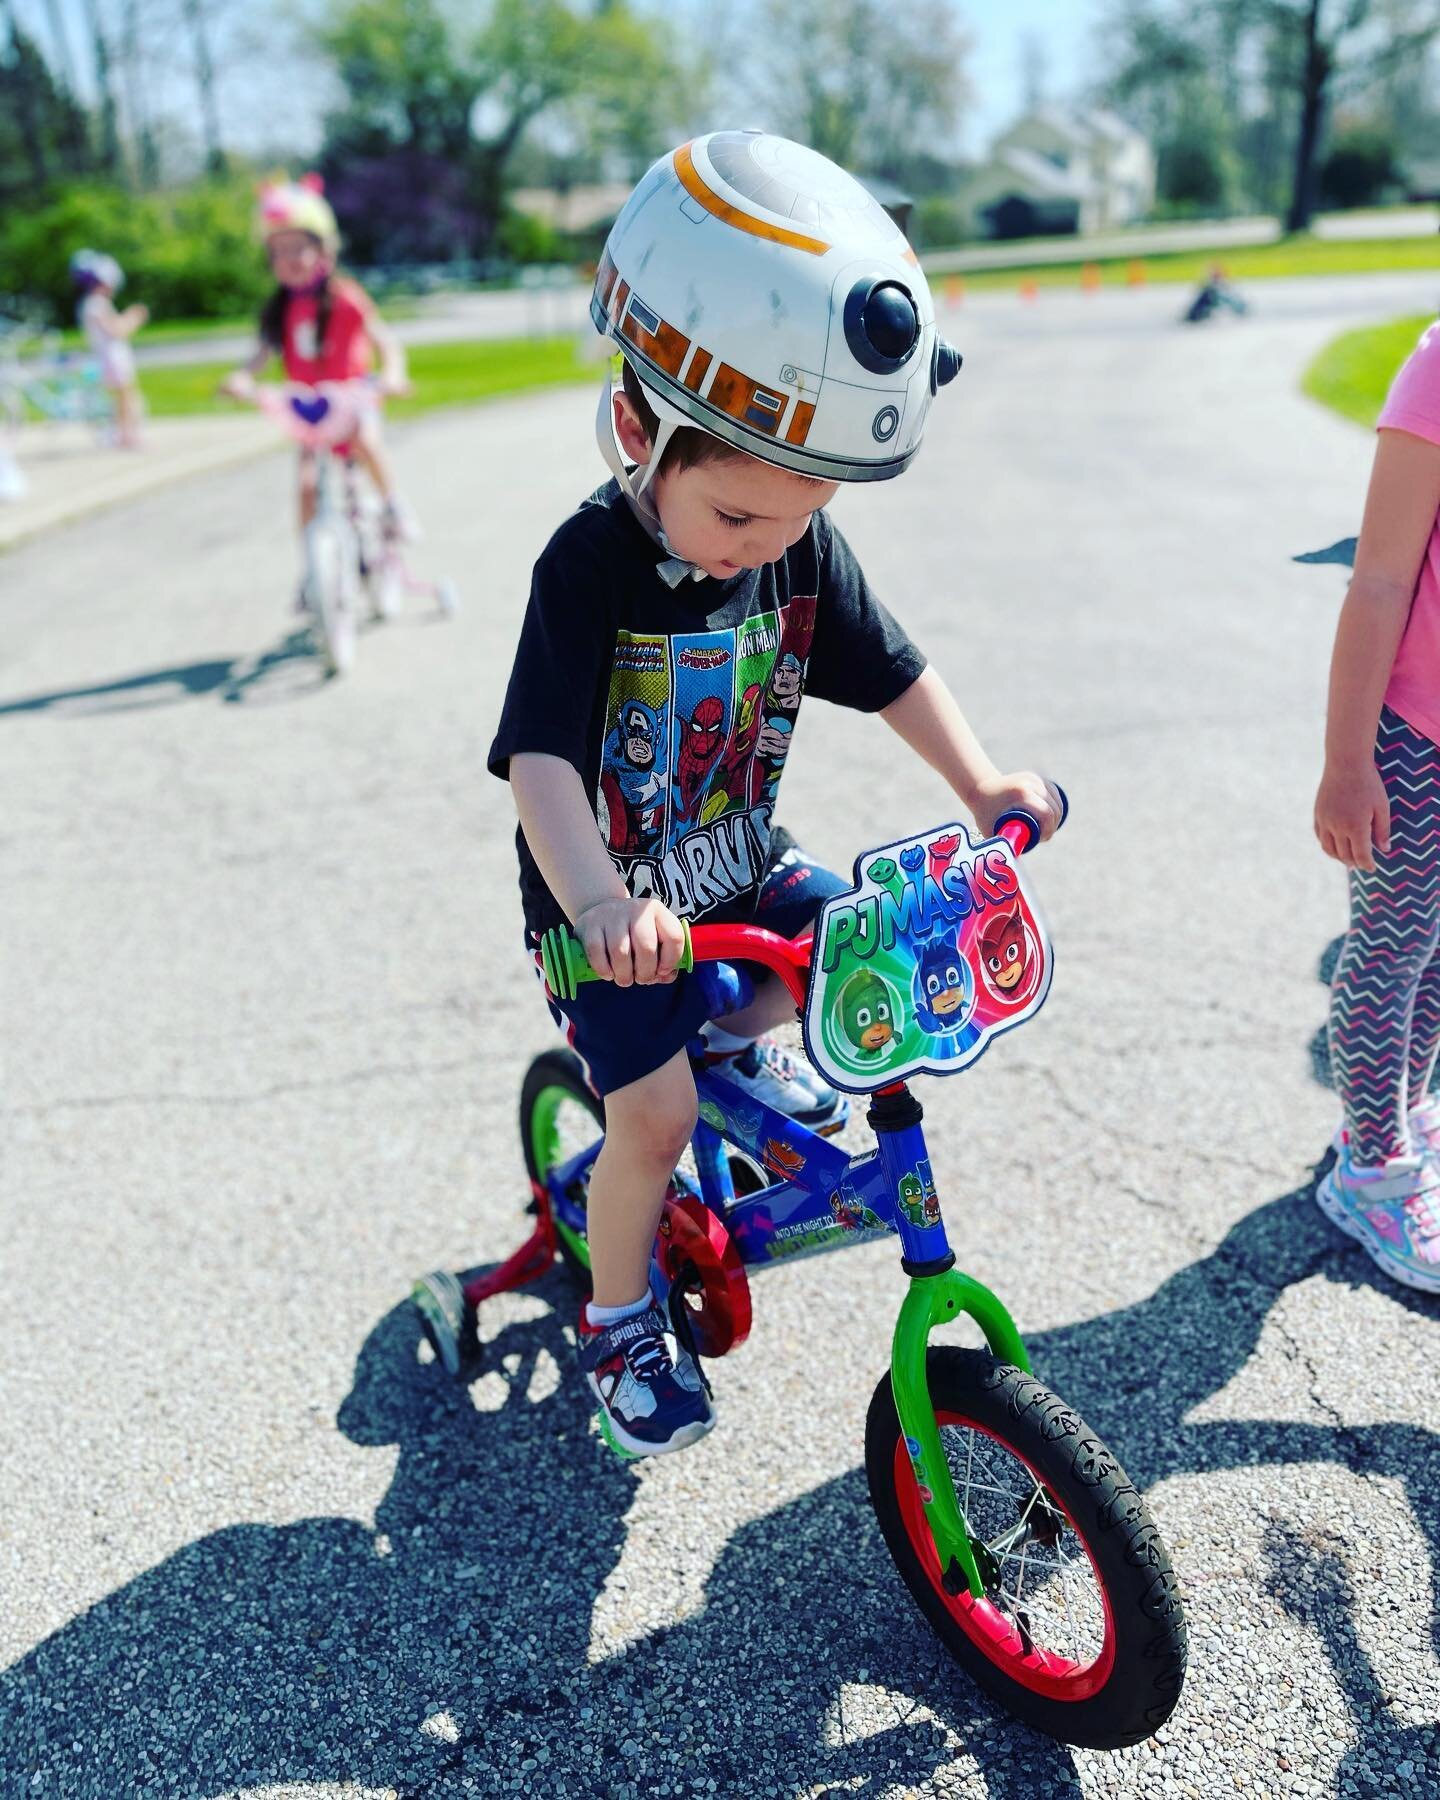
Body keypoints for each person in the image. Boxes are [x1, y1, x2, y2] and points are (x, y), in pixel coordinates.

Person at [488, 131, 1063, 1459]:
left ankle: (748, 1040)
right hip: (614, 912)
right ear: (641, 434)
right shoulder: (588, 567)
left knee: (874, 945)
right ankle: (620, 1315)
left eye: (799, 517)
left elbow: (897, 670)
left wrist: (984, 784)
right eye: (742, 521)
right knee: (657, 1115)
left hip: (741, 867)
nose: (776, 544)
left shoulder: (801, 541)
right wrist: (596, 902)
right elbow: (540, 763)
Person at [1315, 316, 1440, 1294]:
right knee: (1392, 948)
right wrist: (1347, 763)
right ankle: (1370, 1169)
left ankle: (1403, 1104)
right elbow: (1381, 578)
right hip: (1414, 738)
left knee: (1435, 947)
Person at [220, 175, 414, 565]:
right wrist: (241, 378)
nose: (288, 259)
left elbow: (384, 340)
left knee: (366, 442)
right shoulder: (279, 309)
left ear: (323, 250)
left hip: (352, 399)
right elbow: (258, 356)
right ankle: (311, 568)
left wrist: (392, 373)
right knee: (307, 485)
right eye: (278, 252)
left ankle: (394, 505)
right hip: (310, 409)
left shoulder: (345, 297)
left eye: (298, 248)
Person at [71, 250, 147, 449]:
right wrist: (134, 317)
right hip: (111, 358)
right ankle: (127, 435)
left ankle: (125, 433)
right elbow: (115, 330)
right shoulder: (96, 304)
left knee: (123, 396)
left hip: (108, 357)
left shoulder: (91, 304)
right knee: (124, 396)